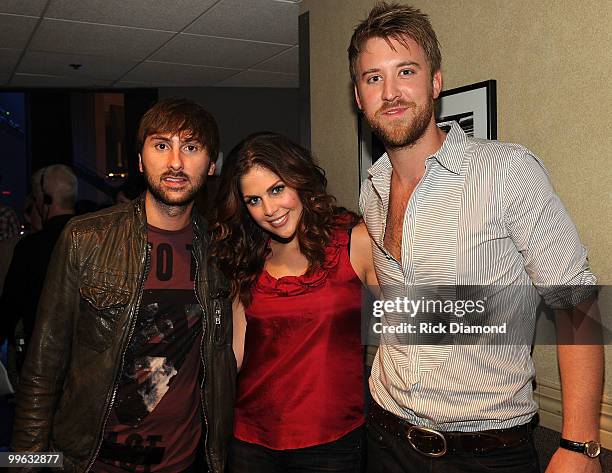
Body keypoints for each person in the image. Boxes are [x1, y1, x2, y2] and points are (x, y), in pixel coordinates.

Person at [348, 3, 603, 473]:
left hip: (487, 455)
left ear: (435, 82)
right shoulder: (373, 188)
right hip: (384, 436)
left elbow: (577, 303)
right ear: (360, 97)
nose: (391, 92)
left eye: (406, 71)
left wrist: (580, 444)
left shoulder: (507, 170)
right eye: (373, 78)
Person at [11, 98, 236, 473]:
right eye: (161, 145)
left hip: (184, 463)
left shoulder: (220, 251)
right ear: (139, 160)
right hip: (91, 462)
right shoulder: (85, 238)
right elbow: (42, 368)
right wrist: (26, 464)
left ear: (212, 164)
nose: (176, 162)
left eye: (191, 147)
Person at [212, 132, 378, 473]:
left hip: (331, 439)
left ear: (300, 180)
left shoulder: (353, 240)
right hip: (250, 437)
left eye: (276, 189)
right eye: (253, 200)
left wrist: (501, 312)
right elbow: (236, 354)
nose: (269, 210)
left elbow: (410, 319)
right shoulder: (247, 258)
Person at [1, 165, 77, 356]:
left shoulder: (30, 248)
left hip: (41, 357)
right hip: (85, 362)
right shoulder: (96, 240)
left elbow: (9, 310)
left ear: (46, 199)